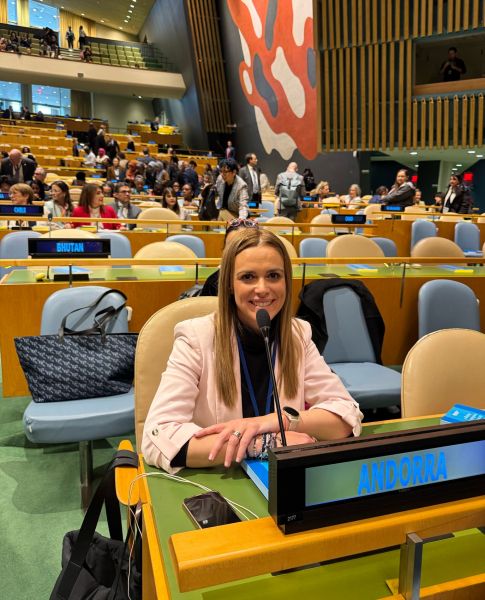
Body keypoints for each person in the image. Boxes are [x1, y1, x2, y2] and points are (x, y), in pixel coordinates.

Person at [142, 228, 362, 472]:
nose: (262, 288)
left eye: (273, 276)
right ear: (229, 284)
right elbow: (157, 437)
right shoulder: (195, 337)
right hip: (219, 477)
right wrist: (263, 443)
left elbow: (345, 416)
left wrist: (276, 422)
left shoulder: (297, 334)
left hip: (282, 477)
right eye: (248, 277)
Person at [200, 218, 259, 296]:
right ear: (224, 251)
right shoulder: (214, 283)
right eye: (232, 247)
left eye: (247, 246)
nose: (240, 253)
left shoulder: (272, 280)